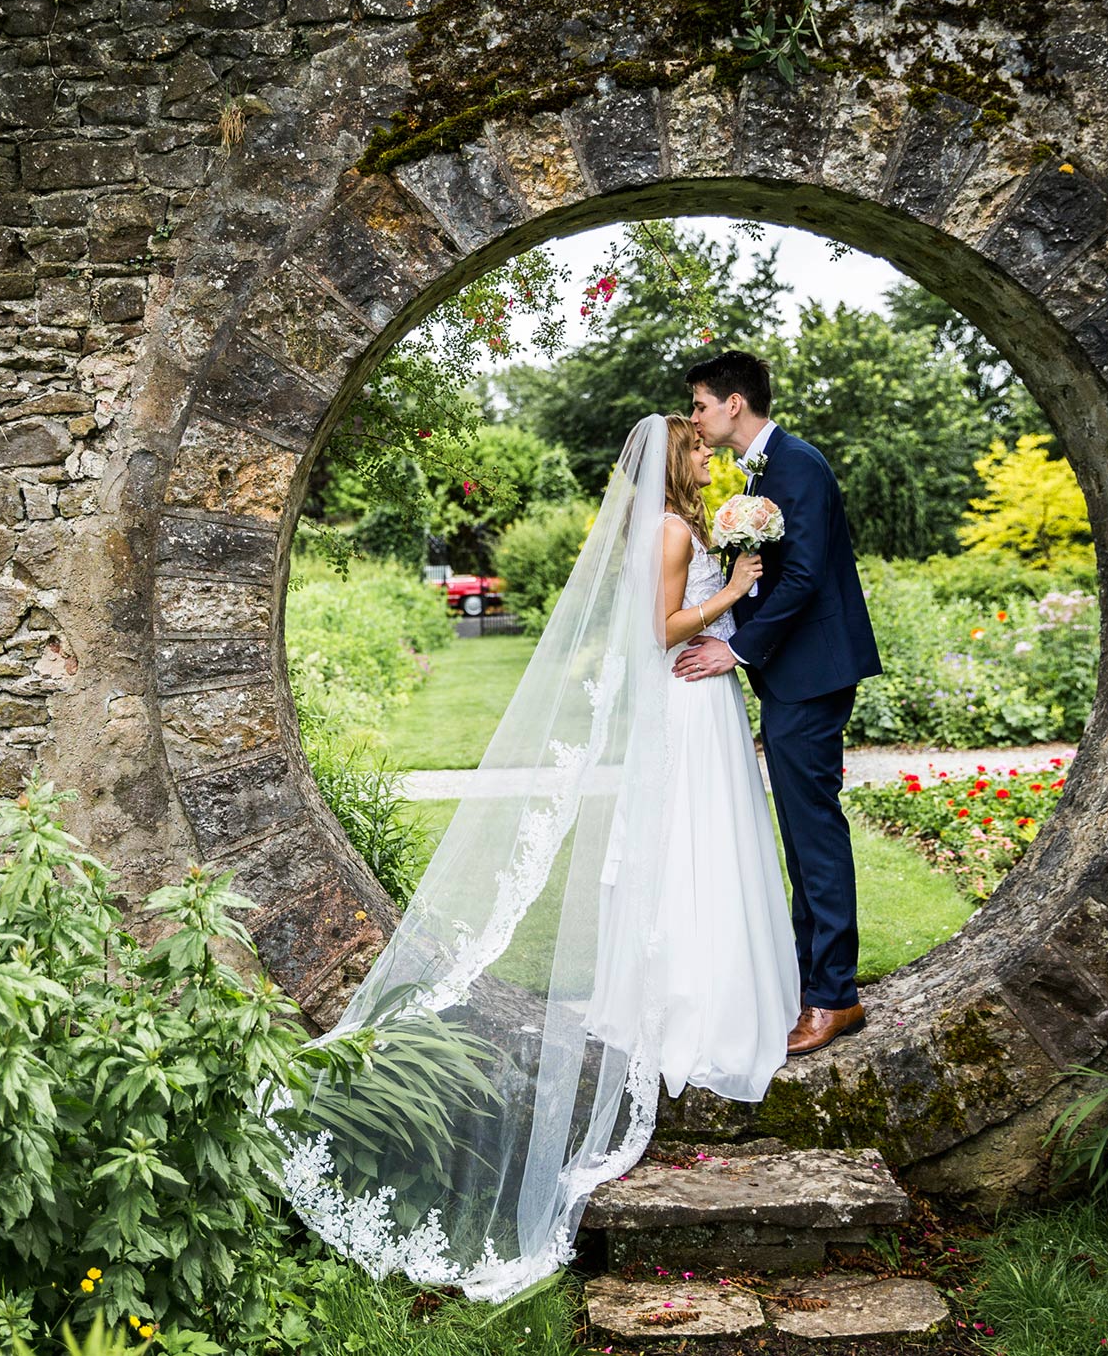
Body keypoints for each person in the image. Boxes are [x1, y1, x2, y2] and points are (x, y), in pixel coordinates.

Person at [266, 411, 804, 1303]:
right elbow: (659, 630)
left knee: (709, 845)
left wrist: (734, 578)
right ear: (678, 460)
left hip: (705, 707)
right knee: (692, 846)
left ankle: (718, 985)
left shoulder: (686, 523)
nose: (713, 461)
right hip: (687, 700)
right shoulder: (672, 529)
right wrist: (734, 591)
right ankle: (696, 1001)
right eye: (702, 452)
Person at [675, 349, 884, 1056]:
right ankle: (811, 980)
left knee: (814, 831)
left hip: (813, 674)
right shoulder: (764, 469)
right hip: (794, 674)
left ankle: (835, 997)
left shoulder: (796, 465)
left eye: (701, 403)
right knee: (800, 831)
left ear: (735, 403)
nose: (696, 418)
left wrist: (734, 648)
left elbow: (800, 578)